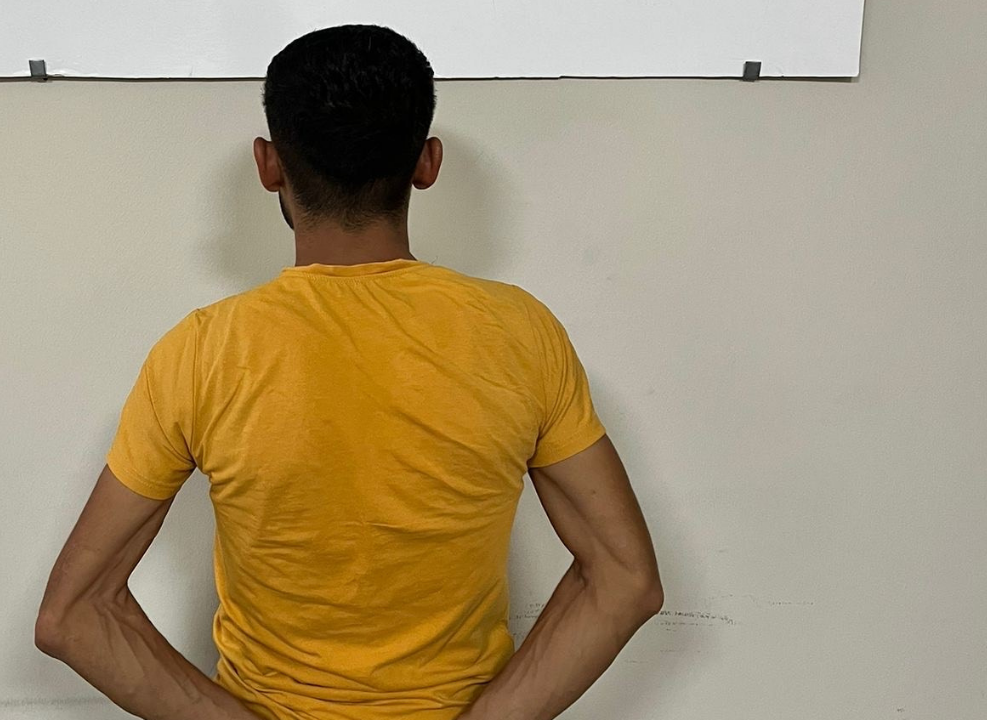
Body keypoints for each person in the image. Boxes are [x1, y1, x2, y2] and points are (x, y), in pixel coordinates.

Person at [33, 24, 662, 720]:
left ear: (268, 165)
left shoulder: (201, 352)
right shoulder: (519, 333)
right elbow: (625, 578)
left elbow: (74, 614)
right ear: (427, 162)